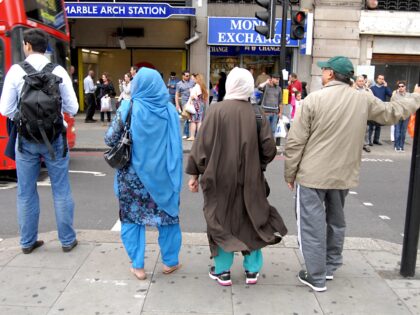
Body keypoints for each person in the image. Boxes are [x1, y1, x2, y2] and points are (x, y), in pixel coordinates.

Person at [284, 56, 420, 292]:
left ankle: (315, 275)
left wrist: (290, 173)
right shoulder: (363, 99)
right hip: (343, 175)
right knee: (336, 221)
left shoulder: (313, 100)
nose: (323, 74)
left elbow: (295, 142)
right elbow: (392, 112)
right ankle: (329, 267)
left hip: (312, 174)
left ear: (329, 74)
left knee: (311, 225)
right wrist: (415, 97)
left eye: (324, 70)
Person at [186, 67, 287, 286]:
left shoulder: (215, 111)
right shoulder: (257, 112)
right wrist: (256, 163)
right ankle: (252, 271)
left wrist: (194, 174)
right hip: (251, 178)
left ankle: (223, 271)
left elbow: (201, 146)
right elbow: (269, 150)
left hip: (219, 179)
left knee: (221, 219)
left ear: (230, 85)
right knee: (252, 219)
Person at [0, 28, 79, 254]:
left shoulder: (15, 71)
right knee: (61, 189)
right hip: (55, 138)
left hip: (25, 140)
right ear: (46, 48)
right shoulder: (59, 71)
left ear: (26, 45)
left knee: (25, 191)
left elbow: (5, 108)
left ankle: (27, 242)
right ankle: (67, 240)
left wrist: (24, 119)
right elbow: (72, 108)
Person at [105, 67, 183, 280]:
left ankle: (138, 266)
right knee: (168, 218)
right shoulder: (169, 110)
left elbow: (110, 139)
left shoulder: (128, 107)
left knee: (132, 220)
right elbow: (176, 145)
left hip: (132, 178)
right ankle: (170, 262)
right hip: (163, 176)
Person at [368, 74, 392, 145]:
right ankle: (369, 140)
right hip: (373, 109)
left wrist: (386, 86)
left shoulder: (384, 88)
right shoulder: (372, 88)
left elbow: (390, 94)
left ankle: (376, 140)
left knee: (378, 126)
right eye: (380, 78)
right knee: (371, 126)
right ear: (377, 79)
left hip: (382, 109)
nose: (381, 80)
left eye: (382, 79)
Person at [354, 75, 372, 153]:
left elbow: (372, 100)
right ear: (356, 82)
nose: (361, 82)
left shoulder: (368, 90)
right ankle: (355, 145)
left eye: (362, 81)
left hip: (365, 112)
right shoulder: (353, 90)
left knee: (366, 129)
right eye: (359, 81)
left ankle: (365, 145)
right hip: (355, 113)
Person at [186, 73, 208, 141]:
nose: (193, 80)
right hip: (200, 105)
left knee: (193, 121)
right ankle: (199, 136)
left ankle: (192, 136)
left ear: (197, 79)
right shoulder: (203, 86)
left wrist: (191, 93)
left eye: (194, 78)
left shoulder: (197, 86)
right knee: (199, 121)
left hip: (196, 105)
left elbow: (196, 96)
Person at [391, 81, 412, 152]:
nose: (401, 88)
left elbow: (412, 105)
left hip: (406, 116)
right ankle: (396, 146)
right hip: (397, 116)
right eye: (399, 86)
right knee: (397, 131)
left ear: (405, 87)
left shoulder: (409, 95)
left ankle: (401, 146)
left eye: (402, 86)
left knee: (403, 132)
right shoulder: (395, 96)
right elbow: (391, 105)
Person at [175, 70, 195, 139]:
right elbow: (177, 95)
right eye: (186, 76)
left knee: (192, 117)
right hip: (185, 102)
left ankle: (192, 133)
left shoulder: (192, 82)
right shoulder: (179, 84)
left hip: (193, 101)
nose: (188, 77)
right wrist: (177, 105)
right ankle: (185, 133)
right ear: (183, 76)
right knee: (187, 117)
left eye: (189, 75)